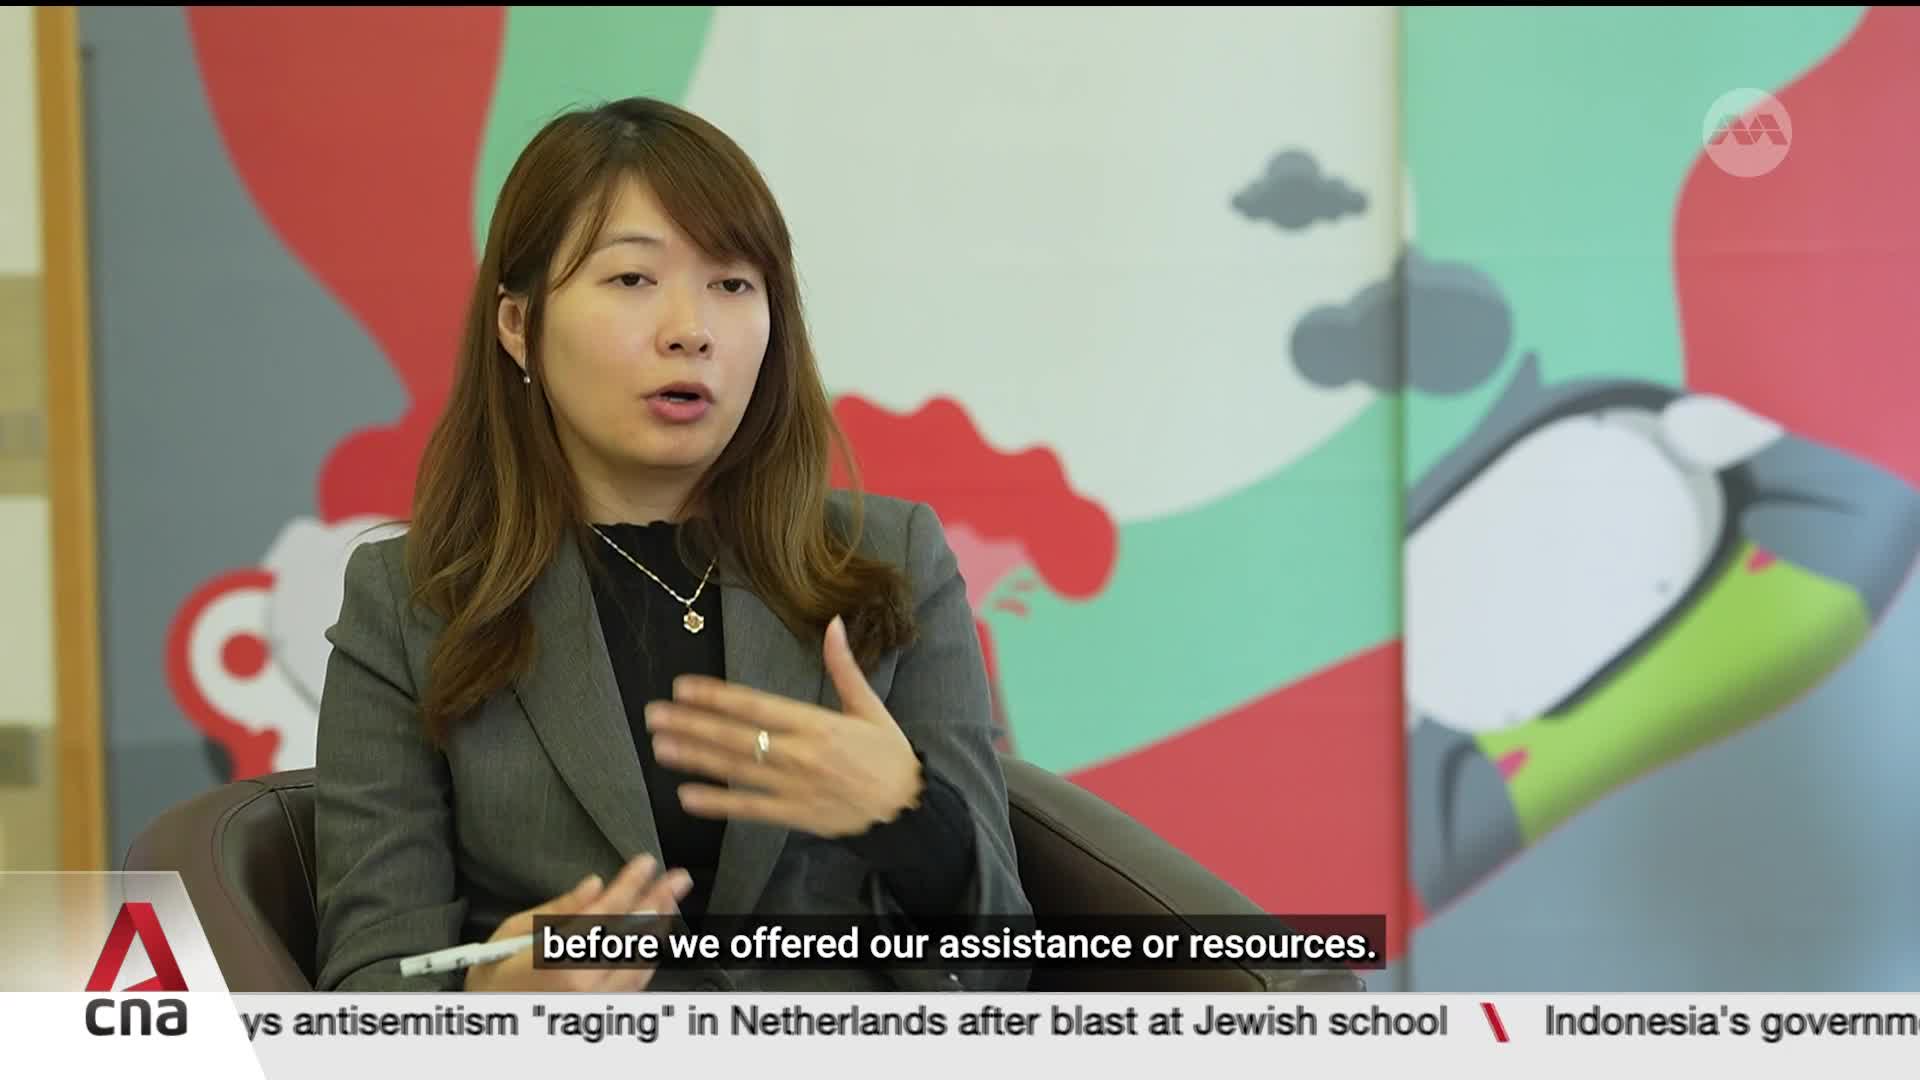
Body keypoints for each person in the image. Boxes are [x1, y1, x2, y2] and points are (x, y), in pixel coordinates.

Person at [311, 97, 1031, 993]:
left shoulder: (889, 563)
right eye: (632, 280)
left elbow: (1008, 970)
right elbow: (366, 989)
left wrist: (910, 822)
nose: (691, 328)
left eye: (732, 284)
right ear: (516, 325)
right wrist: (494, 998)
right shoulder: (412, 598)